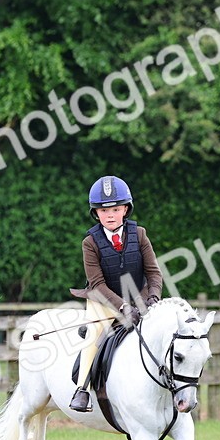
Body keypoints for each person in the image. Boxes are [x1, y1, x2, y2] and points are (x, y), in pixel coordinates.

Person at [69, 175, 163, 413]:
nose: (109, 215)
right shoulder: (90, 242)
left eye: (115, 209)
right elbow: (98, 283)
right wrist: (122, 307)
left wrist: (153, 298)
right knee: (95, 333)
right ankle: (82, 389)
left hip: (139, 299)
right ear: (96, 214)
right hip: (103, 300)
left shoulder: (140, 234)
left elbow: (153, 272)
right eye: (103, 211)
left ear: (125, 210)